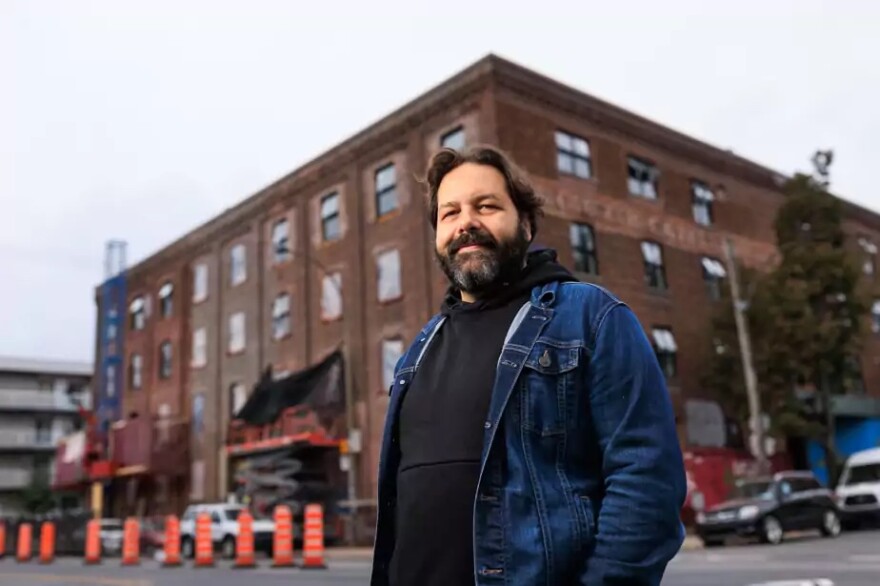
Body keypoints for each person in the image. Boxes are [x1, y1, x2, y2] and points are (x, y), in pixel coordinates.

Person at [370, 145, 686, 586]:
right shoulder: (416, 353)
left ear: (526, 222)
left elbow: (647, 481)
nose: (466, 223)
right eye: (449, 213)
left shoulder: (590, 316)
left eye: (486, 206)